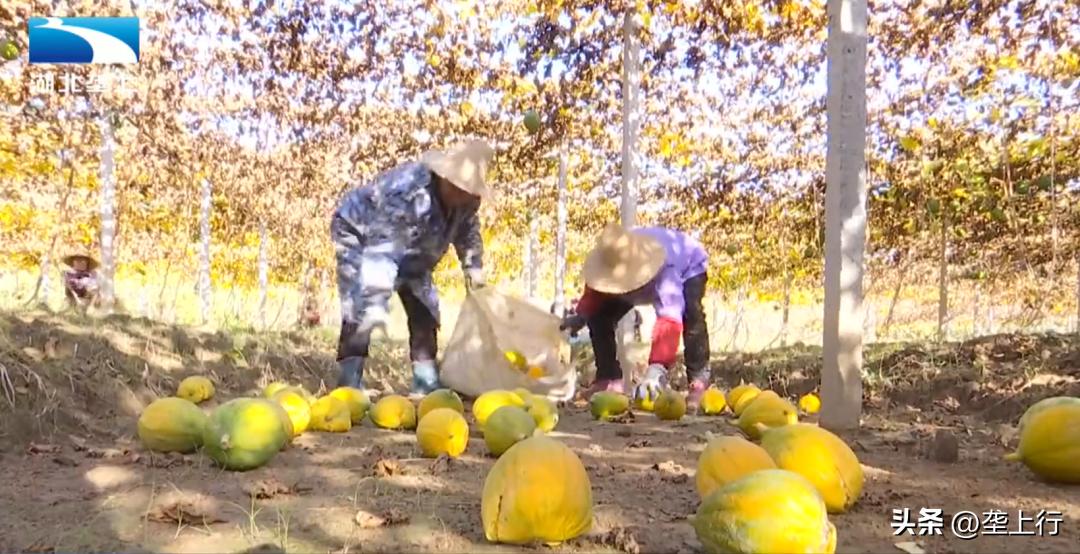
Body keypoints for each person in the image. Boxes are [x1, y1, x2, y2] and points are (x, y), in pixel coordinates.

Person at [331, 139, 494, 396]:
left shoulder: (466, 201)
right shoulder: (407, 193)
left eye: (467, 190)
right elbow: (383, 251)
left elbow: (468, 233)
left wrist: (474, 271)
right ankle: (349, 381)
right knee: (362, 299)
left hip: (415, 247)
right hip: (361, 231)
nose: (461, 194)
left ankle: (425, 380)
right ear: (443, 177)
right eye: (457, 186)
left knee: (425, 307)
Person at [560, 223, 711, 409]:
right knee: (599, 316)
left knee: (692, 316)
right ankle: (609, 379)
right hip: (633, 275)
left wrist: (656, 369)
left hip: (688, 267)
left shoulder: (666, 268)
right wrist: (581, 316)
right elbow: (594, 294)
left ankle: (698, 380)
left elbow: (670, 320)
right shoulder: (611, 254)